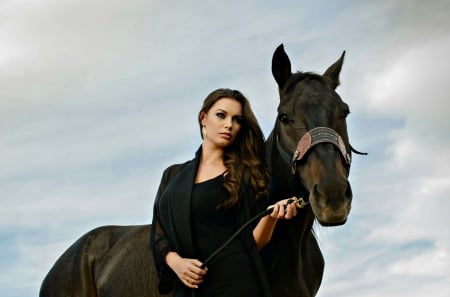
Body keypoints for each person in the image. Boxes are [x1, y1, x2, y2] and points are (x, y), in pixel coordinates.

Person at [150, 88, 298, 297]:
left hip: (235, 283)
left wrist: (271, 217)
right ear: (203, 118)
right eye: (221, 115)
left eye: (237, 120)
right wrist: (176, 263)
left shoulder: (246, 175)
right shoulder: (172, 175)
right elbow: (158, 231)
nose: (229, 124)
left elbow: (252, 242)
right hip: (187, 287)